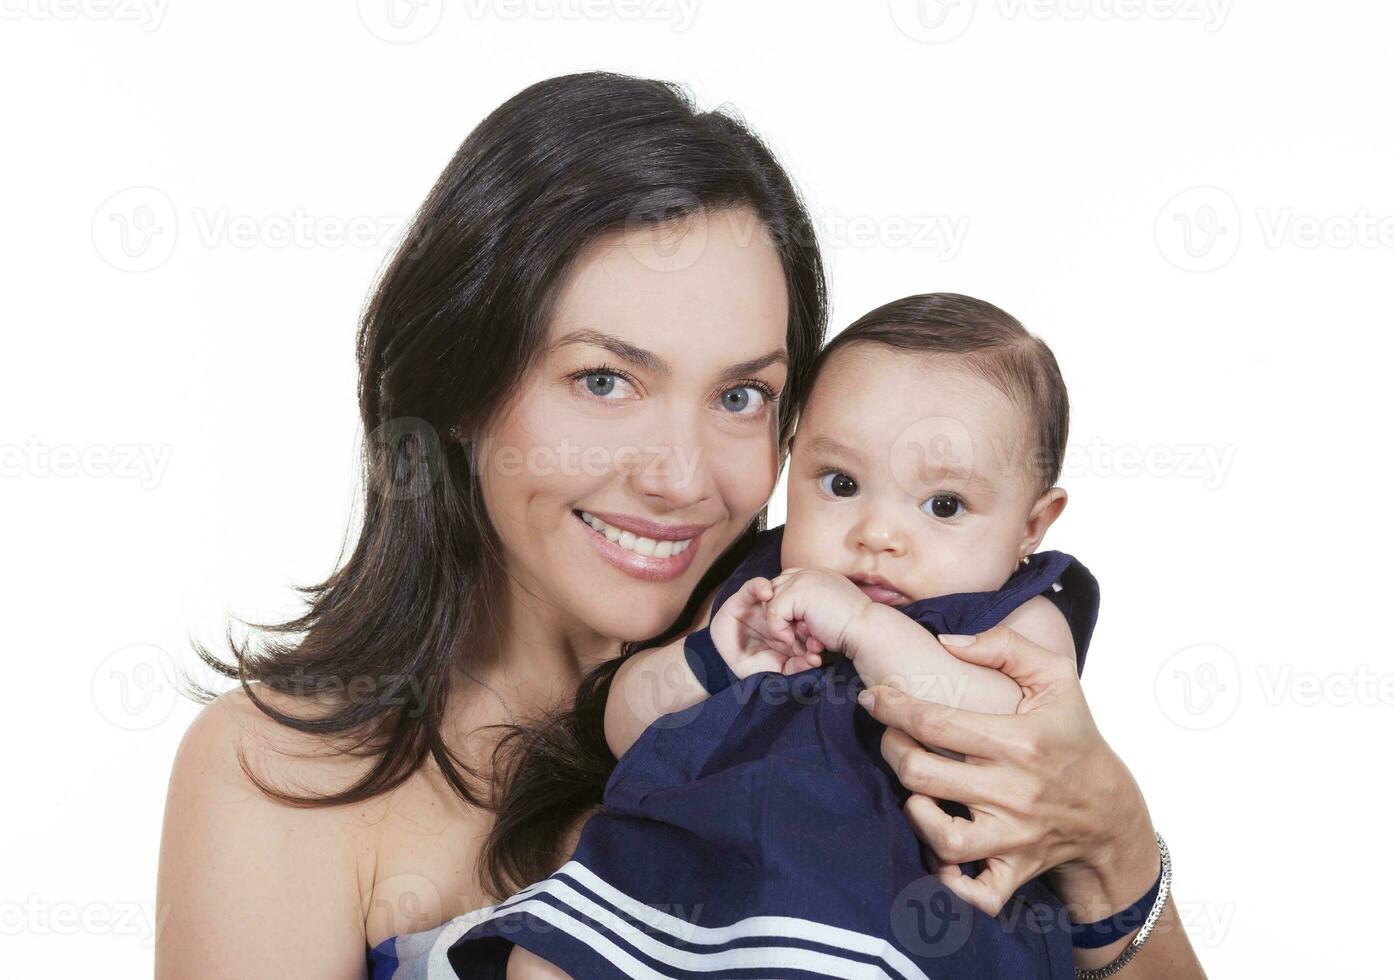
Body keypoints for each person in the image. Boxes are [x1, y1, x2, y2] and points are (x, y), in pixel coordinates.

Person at [155, 72, 1205, 980]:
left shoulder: (885, 707)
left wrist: (1112, 846)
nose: (679, 475)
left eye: (742, 395)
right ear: (461, 386)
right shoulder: (288, 777)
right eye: (604, 379)